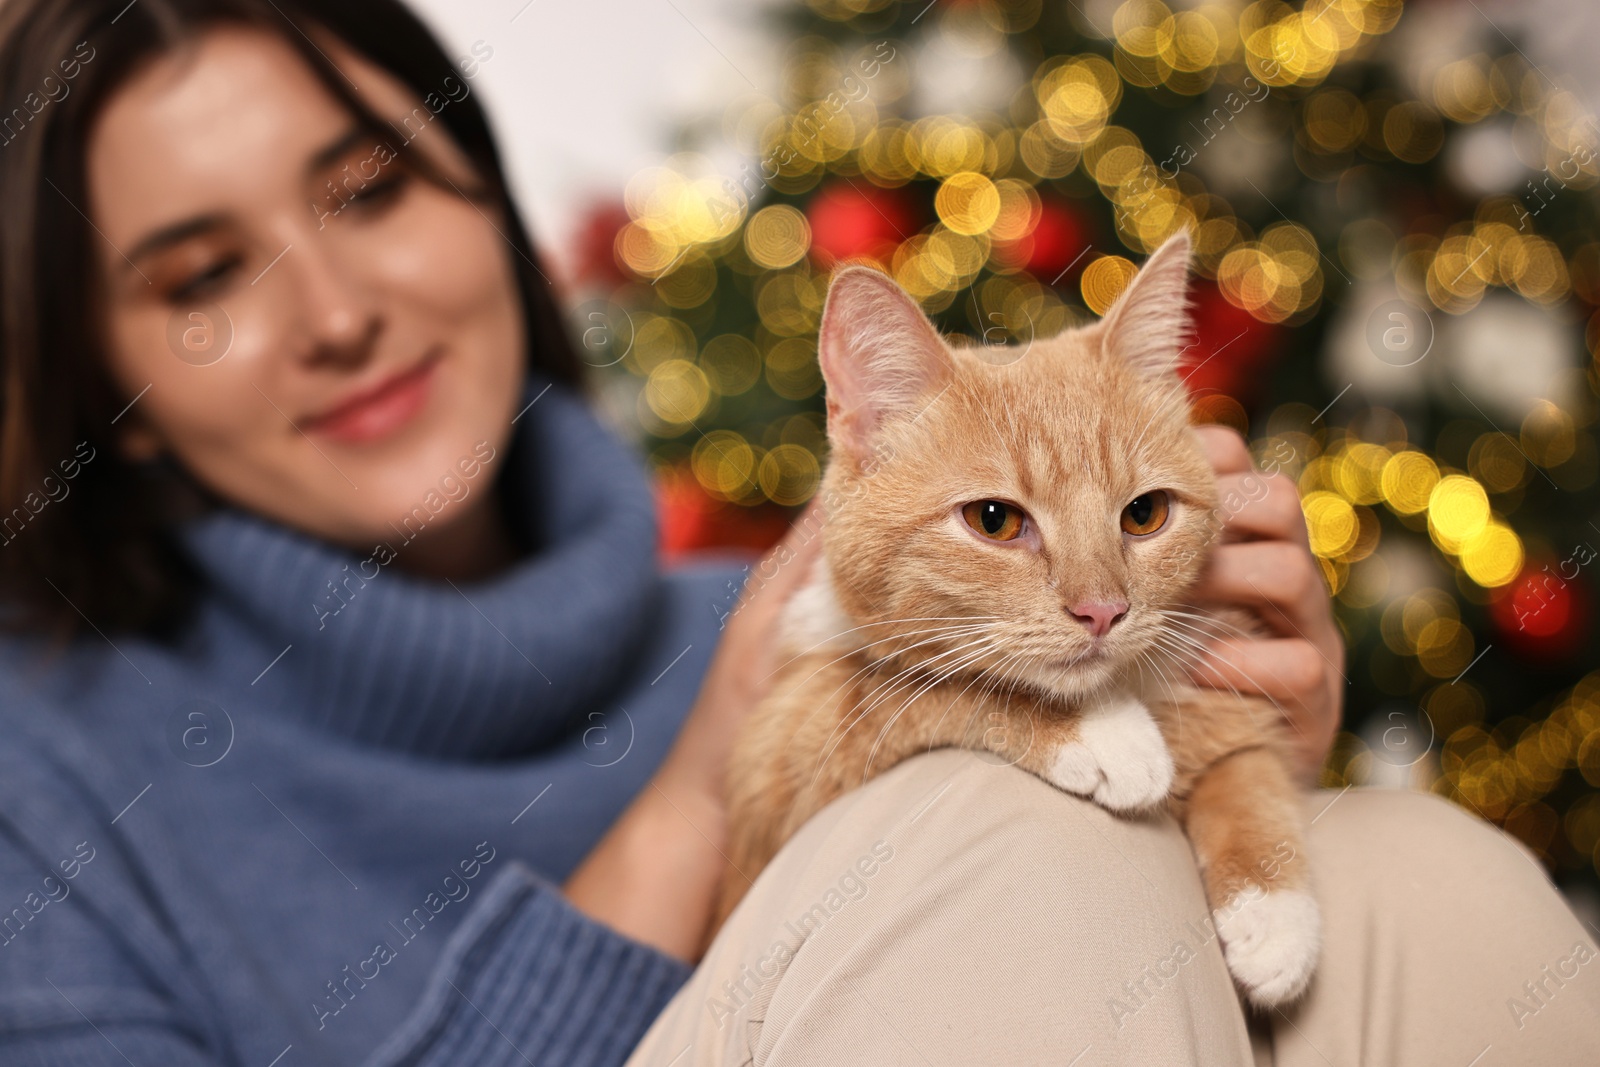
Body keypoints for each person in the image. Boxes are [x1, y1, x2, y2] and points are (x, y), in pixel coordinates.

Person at [0, 2, 1591, 1066]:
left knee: (1428, 881)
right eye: (202, 278)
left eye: (369, 191)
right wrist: (702, 787)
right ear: (108, 389)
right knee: (1001, 830)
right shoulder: (41, 782)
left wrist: (1219, 757)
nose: (336, 311)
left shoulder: (763, 605)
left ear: (484, 206)